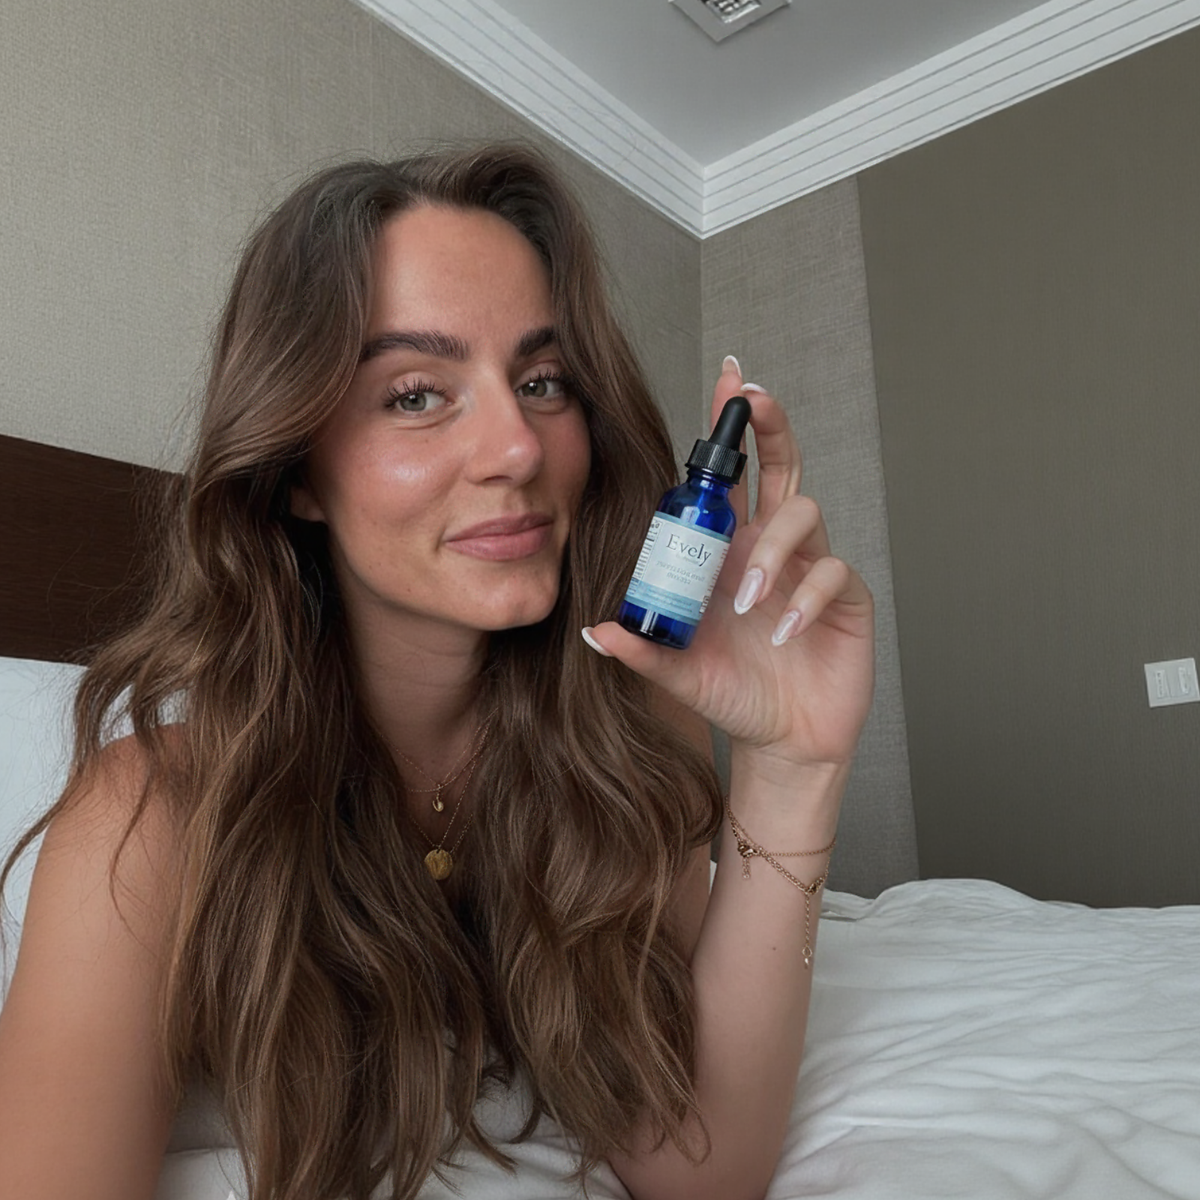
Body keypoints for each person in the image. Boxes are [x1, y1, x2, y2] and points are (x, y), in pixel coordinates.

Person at [0, 144, 874, 1200]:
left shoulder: (624, 736)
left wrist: (793, 770)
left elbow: (702, 1171)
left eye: (543, 382)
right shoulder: (151, 816)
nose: (519, 447)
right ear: (296, 469)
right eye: (416, 394)